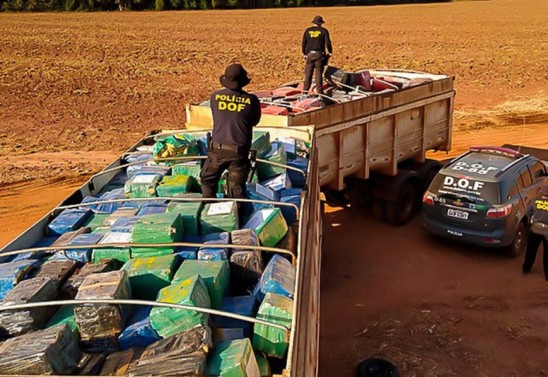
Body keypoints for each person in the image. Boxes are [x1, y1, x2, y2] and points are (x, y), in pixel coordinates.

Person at [200, 63, 261, 199]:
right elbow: (254, 122)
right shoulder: (252, 100)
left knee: (208, 180)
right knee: (236, 189)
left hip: (217, 151)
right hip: (238, 153)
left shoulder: (215, 97)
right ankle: (235, 216)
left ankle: (209, 210)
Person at [301, 15, 333, 95]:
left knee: (308, 73)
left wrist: (304, 53)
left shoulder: (307, 30)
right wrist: (330, 52)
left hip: (309, 54)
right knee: (318, 74)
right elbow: (328, 43)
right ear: (321, 23)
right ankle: (320, 92)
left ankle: (305, 91)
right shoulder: (324, 31)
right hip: (319, 54)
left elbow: (304, 43)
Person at [522, 185, 548, 279]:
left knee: (531, 251)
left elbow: (528, 213)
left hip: (535, 229)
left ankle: (526, 269)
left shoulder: (535, 201)